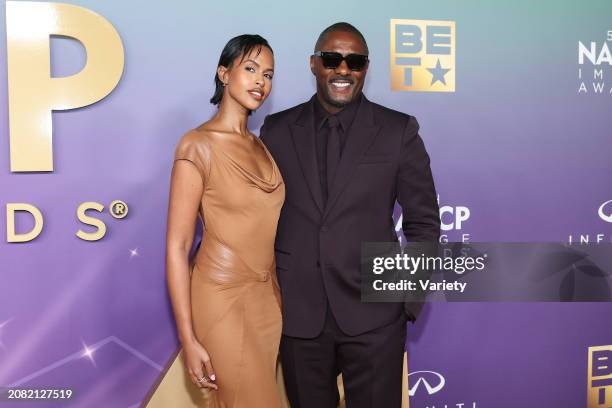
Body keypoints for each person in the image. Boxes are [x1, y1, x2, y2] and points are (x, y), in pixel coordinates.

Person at [259, 22, 440, 407]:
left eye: (354, 62)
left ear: (365, 68)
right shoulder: (275, 131)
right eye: (332, 59)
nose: (343, 70)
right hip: (299, 315)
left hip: (376, 316)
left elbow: (423, 223)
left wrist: (405, 301)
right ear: (314, 64)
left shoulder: (397, 130)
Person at [165, 34, 284, 407]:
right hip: (222, 298)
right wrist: (188, 337)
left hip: (269, 299)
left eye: (267, 74)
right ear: (223, 73)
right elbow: (178, 246)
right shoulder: (196, 145)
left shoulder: (261, 145)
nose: (259, 82)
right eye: (249, 69)